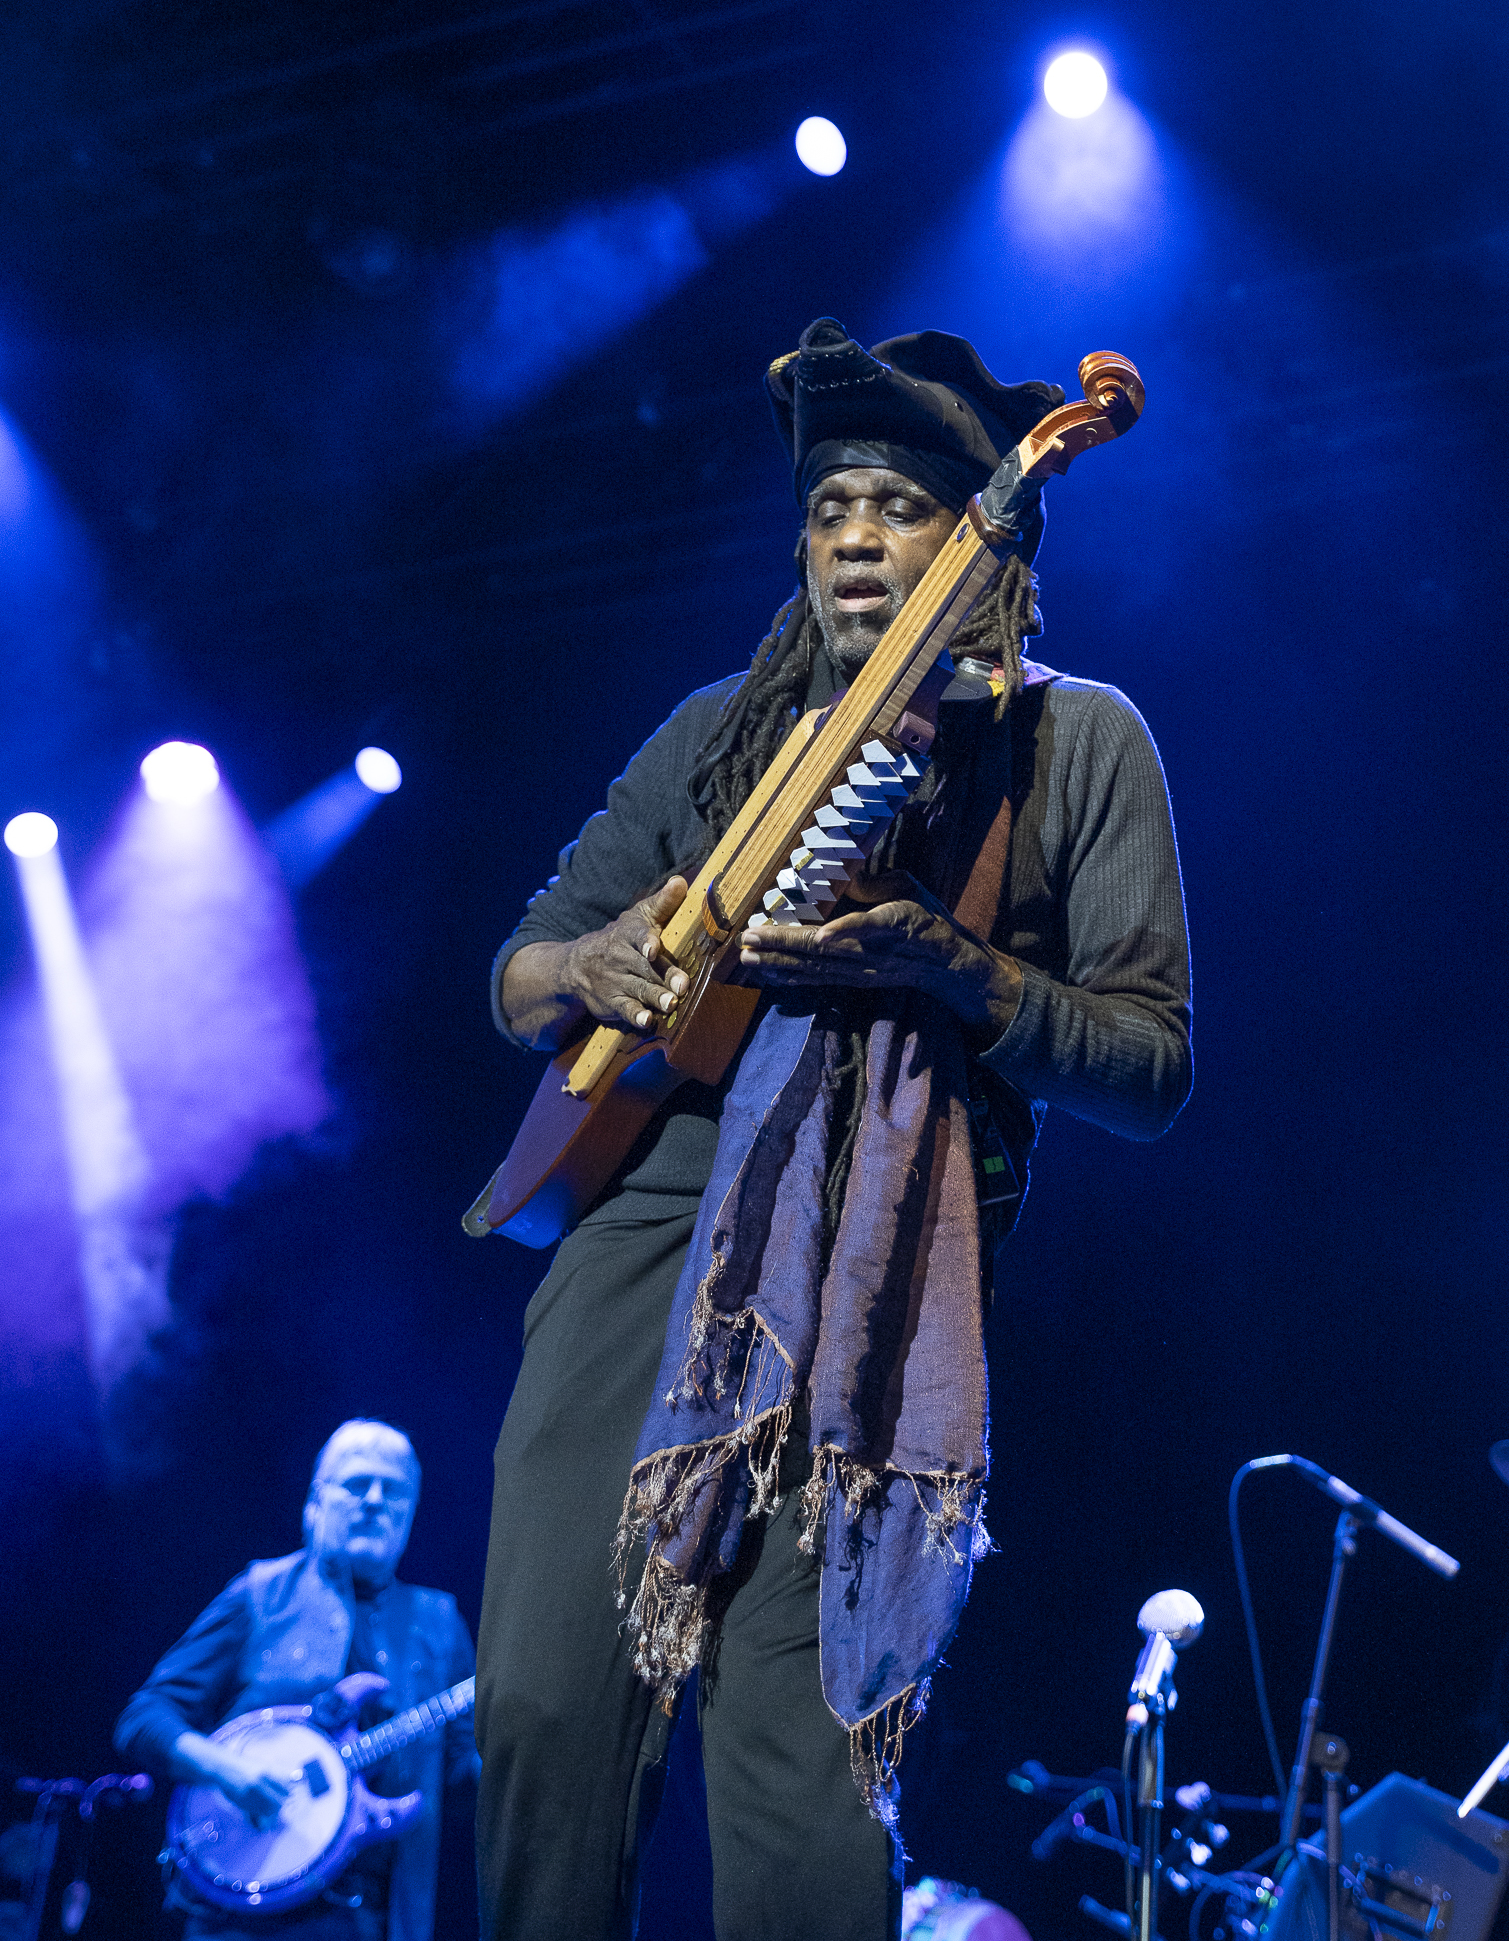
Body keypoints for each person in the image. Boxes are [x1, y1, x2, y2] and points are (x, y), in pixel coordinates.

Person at [475, 317, 1193, 1941]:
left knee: (801, 1797)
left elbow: (1152, 1064)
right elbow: (525, 971)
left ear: (978, 536)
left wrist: (944, 962)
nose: (858, 535)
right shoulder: (716, 734)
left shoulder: (1076, 743)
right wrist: (587, 962)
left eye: (904, 506)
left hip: (866, 1285)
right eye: (829, 506)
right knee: (536, 1715)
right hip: (634, 1257)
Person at [116, 1420, 479, 1941]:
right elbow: (145, 1716)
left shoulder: (439, 1621)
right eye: (356, 1484)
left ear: (410, 1513)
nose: (375, 1500)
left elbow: (463, 1771)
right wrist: (226, 1771)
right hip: (235, 1920)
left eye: (393, 1490)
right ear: (317, 1500)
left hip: (372, 1921)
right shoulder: (260, 1593)